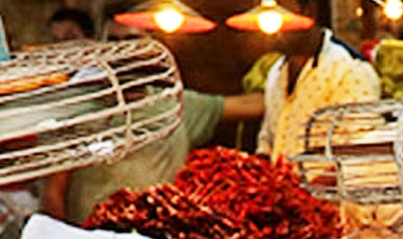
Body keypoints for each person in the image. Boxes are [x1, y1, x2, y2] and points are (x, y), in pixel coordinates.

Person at [40, 17, 266, 224]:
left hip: (161, 238)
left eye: (132, 39)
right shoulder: (76, 109)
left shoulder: (173, 103)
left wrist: (282, 75)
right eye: (114, 41)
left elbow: (249, 106)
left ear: (154, 47)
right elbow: (53, 192)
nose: (122, 49)